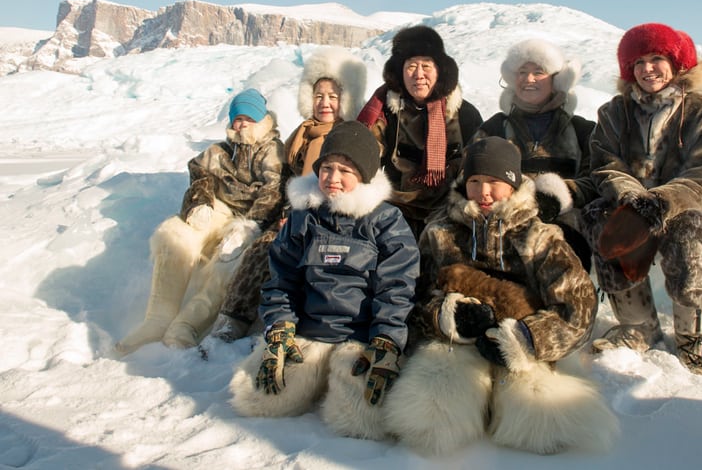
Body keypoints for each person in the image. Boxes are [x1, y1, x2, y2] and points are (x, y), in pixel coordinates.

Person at [382, 137, 616, 455]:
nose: (484, 192)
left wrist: (526, 338)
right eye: (475, 181)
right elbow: (415, 295)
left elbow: (579, 306)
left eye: (494, 182)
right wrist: (446, 317)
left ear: (513, 183)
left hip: (523, 342)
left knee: (543, 422)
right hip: (456, 344)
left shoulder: (540, 237)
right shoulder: (440, 232)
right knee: (429, 414)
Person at [229, 121, 419, 441]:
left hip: (360, 341)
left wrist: (386, 341)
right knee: (259, 401)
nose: (332, 178)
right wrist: (279, 327)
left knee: (361, 424)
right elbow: (282, 280)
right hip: (308, 335)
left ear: (365, 175)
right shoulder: (304, 218)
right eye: (327, 168)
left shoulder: (386, 221)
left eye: (345, 170)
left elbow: (397, 289)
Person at [583, 23, 702, 379]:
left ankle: (694, 337)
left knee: (689, 232)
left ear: (676, 62)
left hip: (695, 208)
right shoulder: (613, 112)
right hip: (632, 204)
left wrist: (659, 204)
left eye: (656, 59)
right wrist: (634, 200)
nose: (647, 69)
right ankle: (638, 326)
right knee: (601, 216)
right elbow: (604, 165)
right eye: (638, 62)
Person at [209, 48, 368, 343]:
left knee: (280, 250)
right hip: (292, 210)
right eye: (319, 95)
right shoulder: (303, 132)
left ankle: (266, 324)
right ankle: (230, 321)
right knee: (260, 249)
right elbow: (288, 175)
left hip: (328, 217)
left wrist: (299, 216)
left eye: (332, 96)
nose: (325, 103)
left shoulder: (350, 134)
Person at [114, 88, 286, 354]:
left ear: (261, 120)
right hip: (220, 209)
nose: (242, 125)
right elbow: (200, 173)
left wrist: (251, 226)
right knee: (174, 234)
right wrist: (199, 202)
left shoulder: (273, 151)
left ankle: (188, 324)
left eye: (248, 118)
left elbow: (273, 191)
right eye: (237, 119)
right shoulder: (220, 151)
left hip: (250, 220)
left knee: (228, 263)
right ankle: (158, 318)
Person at [473, 38, 595, 270]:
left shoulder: (582, 130)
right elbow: (471, 175)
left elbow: (597, 177)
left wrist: (560, 195)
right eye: (522, 72)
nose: (529, 79)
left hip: (568, 228)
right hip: (505, 226)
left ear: (556, 79)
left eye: (538, 72)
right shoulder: (493, 129)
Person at [357, 24, 483, 238]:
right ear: (399, 71)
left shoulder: (465, 114)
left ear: (440, 70)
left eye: (426, 65)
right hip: (394, 208)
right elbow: (364, 154)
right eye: (411, 66)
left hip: (449, 211)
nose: (418, 74)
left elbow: (480, 166)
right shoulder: (385, 111)